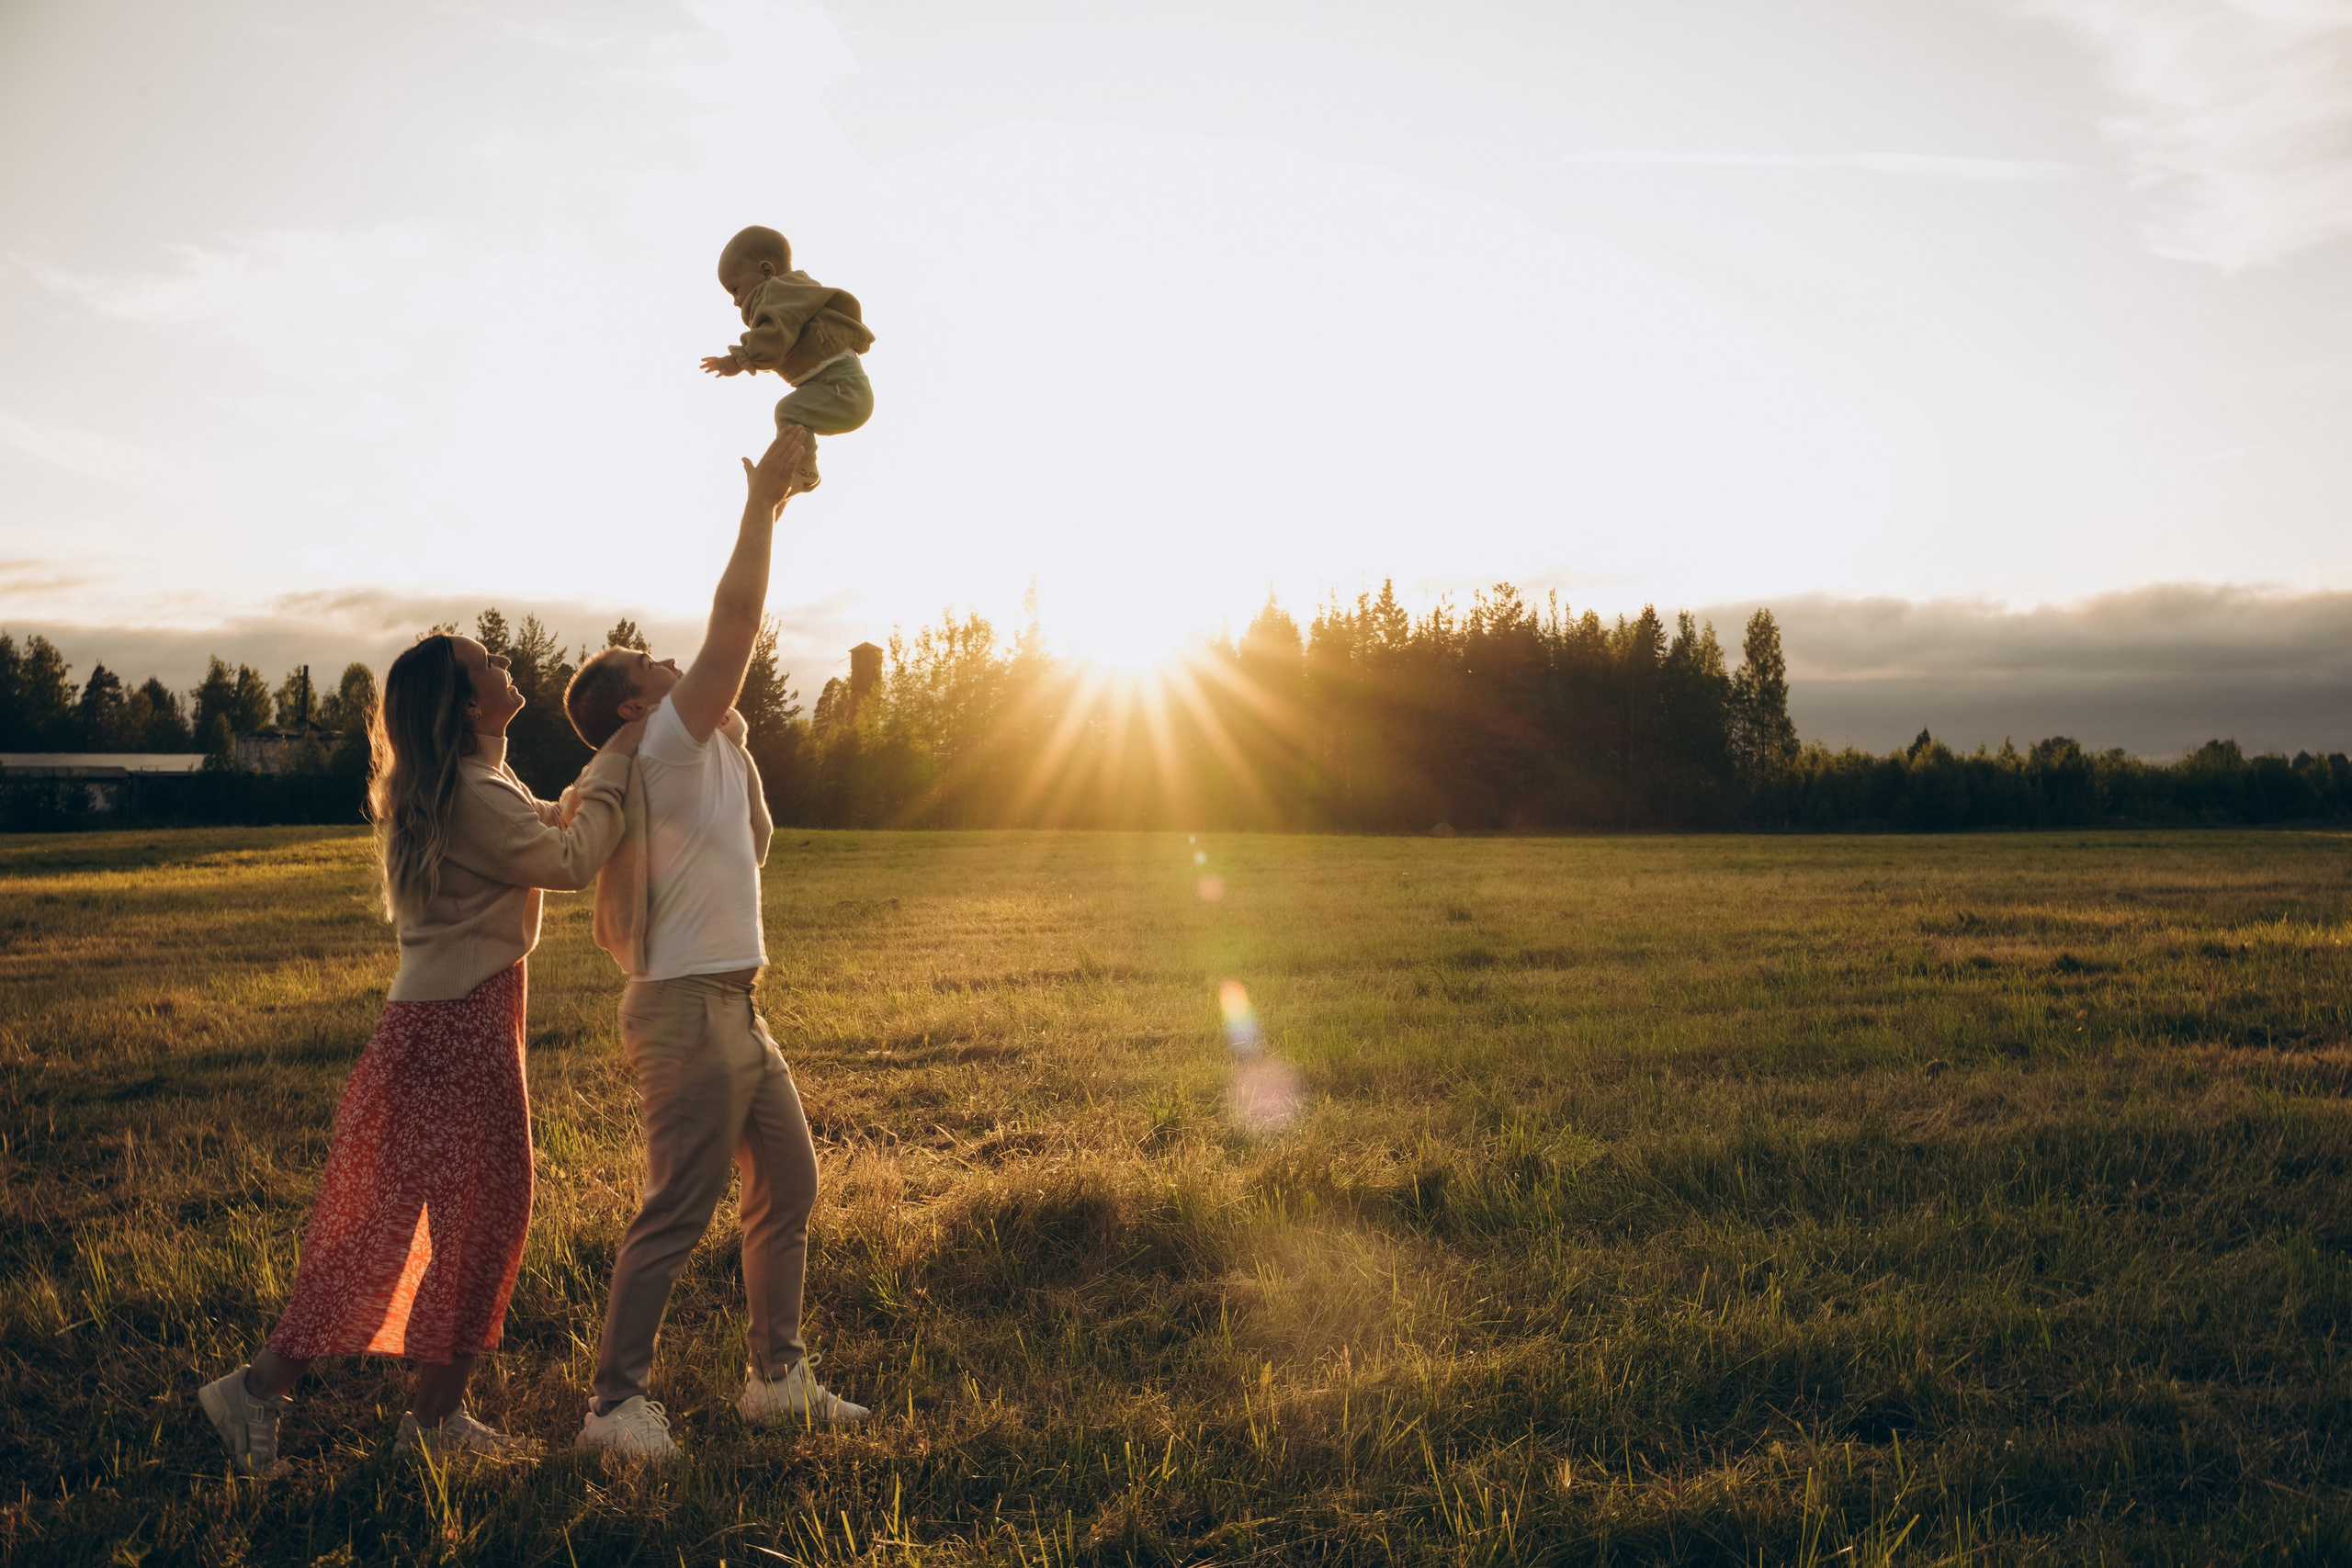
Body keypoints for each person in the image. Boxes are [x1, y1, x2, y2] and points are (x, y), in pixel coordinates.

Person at [195, 634, 643, 1472]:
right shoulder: (471, 790)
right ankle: (281, 1396)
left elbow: (547, 820)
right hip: (454, 1025)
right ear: (469, 704)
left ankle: (419, 1417)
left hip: (456, 1016)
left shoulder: (476, 781)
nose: (509, 664)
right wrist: (619, 754)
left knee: (447, 1223)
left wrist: (598, 778)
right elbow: (572, 856)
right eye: (492, 664)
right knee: (444, 1221)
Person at [560, 434, 868, 1461]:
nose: (677, 660)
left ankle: (776, 1381)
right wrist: (757, 503)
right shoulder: (663, 743)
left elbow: (759, 844)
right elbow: (736, 626)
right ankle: (613, 1408)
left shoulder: (711, 749)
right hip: (686, 1009)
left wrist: (778, 507)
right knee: (677, 1210)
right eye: (656, 664)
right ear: (636, 706)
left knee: (790, 1183)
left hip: (735, 1004)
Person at [699, 224, 875, 495]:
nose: (736, 302)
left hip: (842, 388)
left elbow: (774, 335)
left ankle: (805, 472)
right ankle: (799, 476)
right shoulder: (794, 293)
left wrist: (738, 360)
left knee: (788, 412)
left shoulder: (779, 292)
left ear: (766, 271)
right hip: (836, 387)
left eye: (735, 289)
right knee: (793, 414)